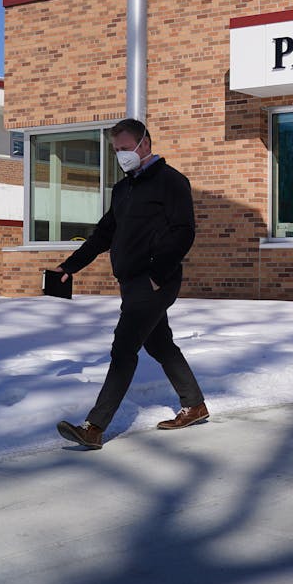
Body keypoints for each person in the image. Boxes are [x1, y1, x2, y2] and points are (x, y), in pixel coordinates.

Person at [50, 118, 208, 449]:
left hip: (154, 281)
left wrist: (156, 275)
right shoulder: (123, 189)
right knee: (159, 344)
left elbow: (184, 232)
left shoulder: (171, 181)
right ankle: (194, 405)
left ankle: (94, 426)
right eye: (116, 150)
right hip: (131, 280)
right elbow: (103, 233)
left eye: (125, 148)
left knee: (123, 348)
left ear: (144, 144)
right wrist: (70, 266)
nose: (121, 155)